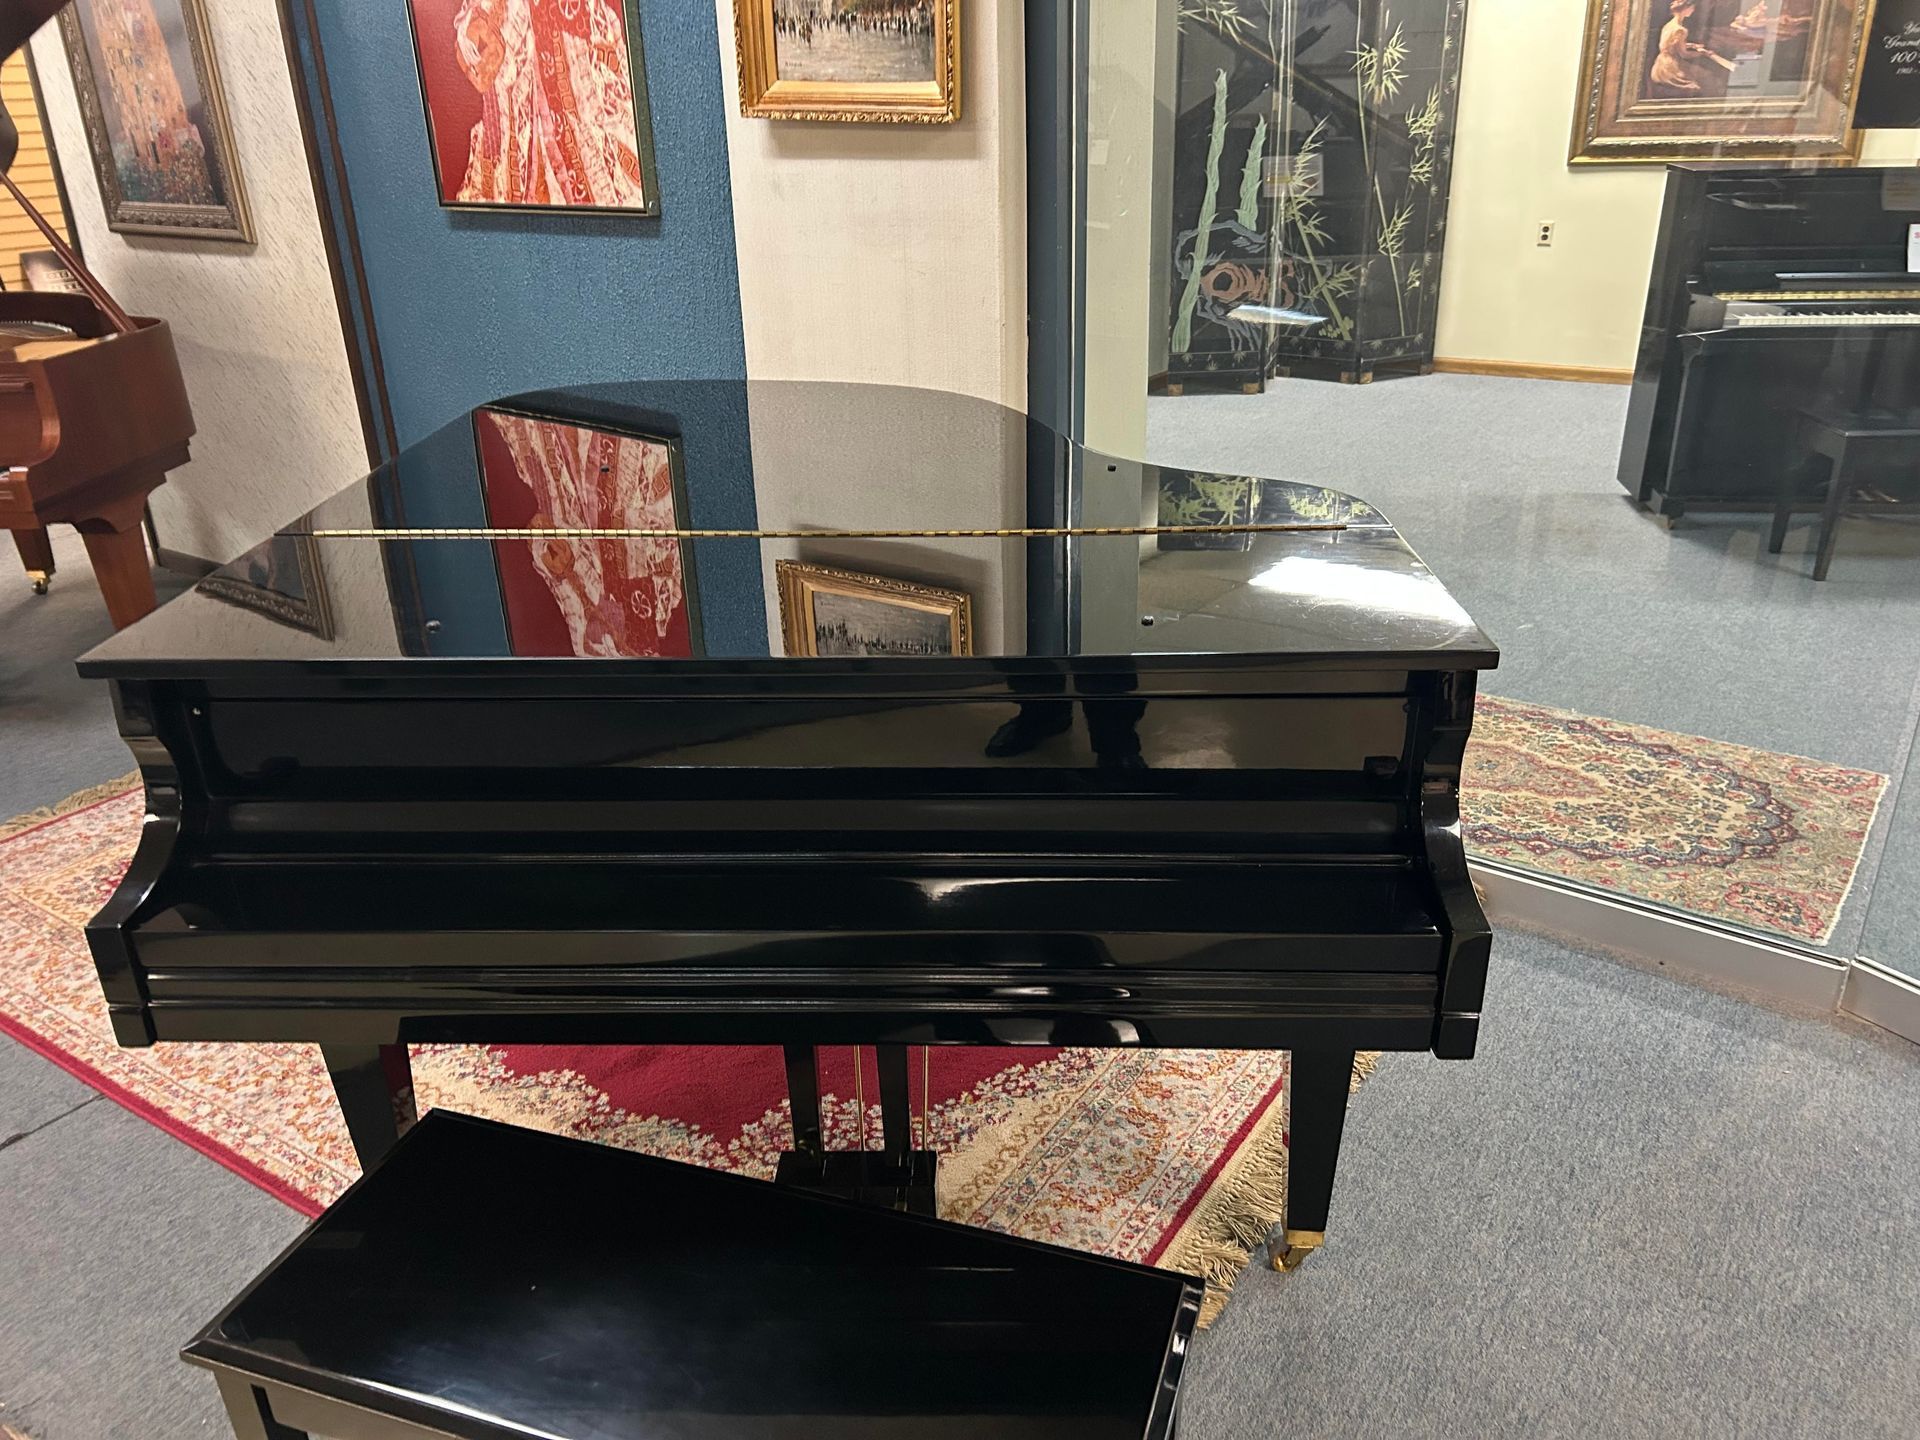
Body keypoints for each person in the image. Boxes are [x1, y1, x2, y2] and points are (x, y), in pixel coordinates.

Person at [1651, 0, 1717, 92]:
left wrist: (1692, 45)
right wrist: (1703, 53)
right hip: (1670, 68)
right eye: (1692, 8)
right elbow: (1684, 54)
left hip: (1660, 64)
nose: (1693, 10)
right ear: (1686, 9)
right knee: (1707, 77)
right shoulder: (1680, 30)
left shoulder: (1669, 25)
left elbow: (1670, 45)